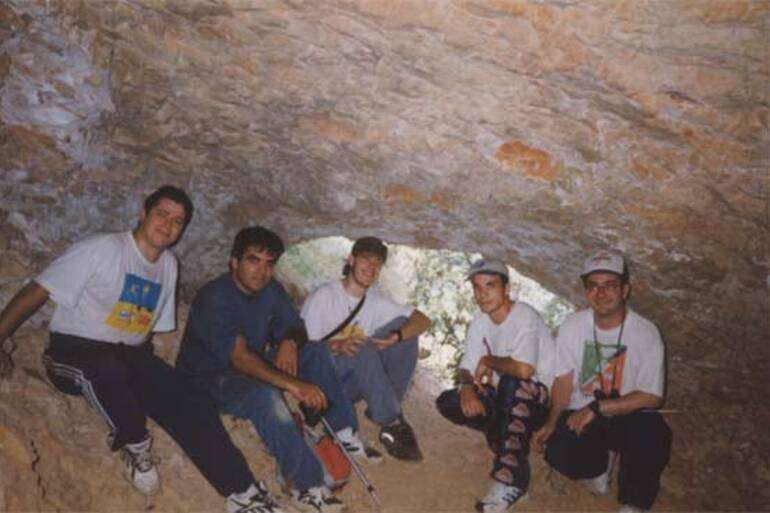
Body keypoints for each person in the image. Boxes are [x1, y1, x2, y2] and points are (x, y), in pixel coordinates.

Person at [0, 186, 283, 513]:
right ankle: (134, 442)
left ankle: (244, 494)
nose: (168, 224)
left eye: (178, 221)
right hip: (74, 351)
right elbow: (37, 291)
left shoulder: (169, 266)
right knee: (107, 368)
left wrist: (159, 380)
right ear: (143, 213)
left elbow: (146, 330)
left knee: (192, 398)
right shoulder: (102, 249)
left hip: (130, 353)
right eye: (162, 214)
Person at [176, 226, 373, 513]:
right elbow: (240, 358)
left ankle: (343, 431)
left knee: (315, 351)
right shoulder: (215, 297)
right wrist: (294, 385)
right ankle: (306, 487)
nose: (262, 271)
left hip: (251, 361)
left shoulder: (271, 289)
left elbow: (295, 326)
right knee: (265, 396)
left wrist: (289, 343)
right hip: (209, 376)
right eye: (253, 260)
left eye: (269, 263)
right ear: (234, 262)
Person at [532, 250, 672, 513]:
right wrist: (551, 422)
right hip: (581, 416)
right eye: (593, 286)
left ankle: (633, 503)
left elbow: (652, 397)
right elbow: (563, 382)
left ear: (625, 290)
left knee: (654, 432)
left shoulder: (645, 332)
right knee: (557, 451)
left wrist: (597, 409)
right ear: (586, 292)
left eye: (610, 285)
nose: (601, 293)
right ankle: (599, 465)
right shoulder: (573, 326)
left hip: (626, 416)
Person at [436, 258, 555, 513]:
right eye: (477, 287)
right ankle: (505, 436)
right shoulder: (480, 321)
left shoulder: (525, 316)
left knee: (513, 382)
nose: (482, 294)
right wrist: (467, 388)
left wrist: (488, 359)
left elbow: (525, 370)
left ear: (507, 288)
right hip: (505, 398)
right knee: (449, 401)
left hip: (536, 400)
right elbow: (467, 366)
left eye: (490, 285)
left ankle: (513, 480)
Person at [300, 236, 432, 462]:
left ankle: (384, 404)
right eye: (366, 260)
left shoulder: (376, 301)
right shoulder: (324, 296)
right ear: (351, 260)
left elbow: (423, 320)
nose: (371, 268)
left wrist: (396, 337)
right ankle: (391, 421)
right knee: (361, 345)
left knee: (405, 330)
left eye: (377, 263)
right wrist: (337, 346)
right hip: (324, 382)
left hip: (357, 378)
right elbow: (305, 353)